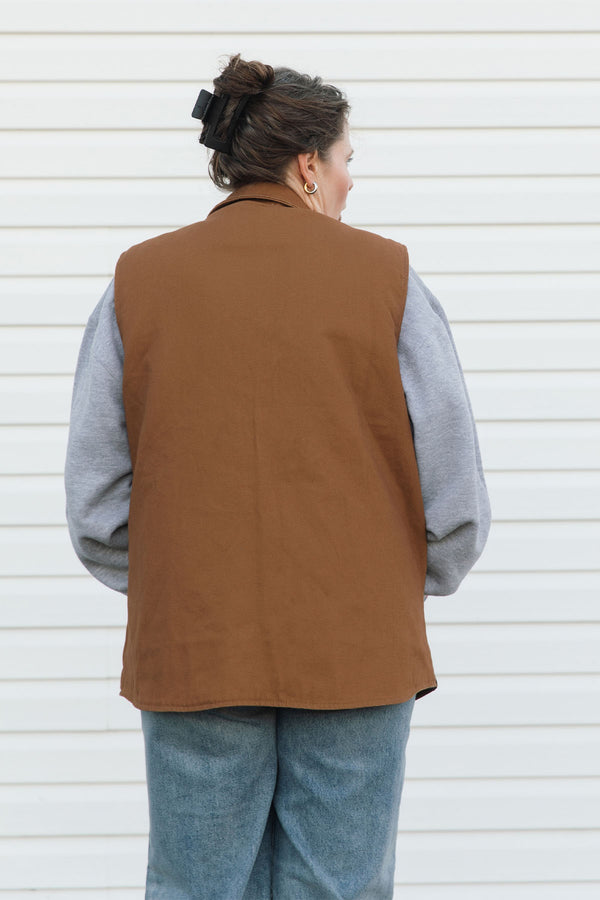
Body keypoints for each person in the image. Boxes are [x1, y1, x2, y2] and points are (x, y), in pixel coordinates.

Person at [65, 53, 491, 900]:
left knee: (195, 886)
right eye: (346, 162)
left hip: (194, 645)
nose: (348, 183)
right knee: (338, 887)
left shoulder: (136, 282)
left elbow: (96, 503)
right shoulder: (390, 280)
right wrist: (396, 584)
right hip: (356, 647)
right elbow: (454, 491)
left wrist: (175, 586)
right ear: (307, 166)